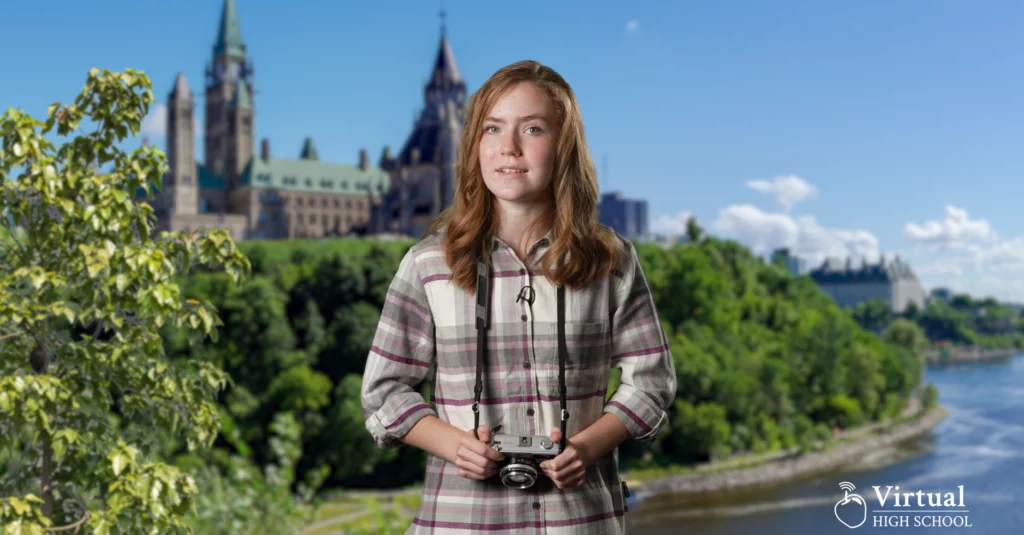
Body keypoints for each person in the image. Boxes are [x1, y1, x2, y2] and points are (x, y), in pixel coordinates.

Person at [361, 59, 677, 534]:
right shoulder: (428, 264)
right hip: (462, 522)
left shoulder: (612, 260)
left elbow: (651, 384)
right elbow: (383, 391)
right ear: (473, 145)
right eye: (492, 128)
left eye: (531, 128)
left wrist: (585, 449)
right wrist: (454, 445)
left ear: (564, 144)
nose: (508, 148)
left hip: (580, 521)